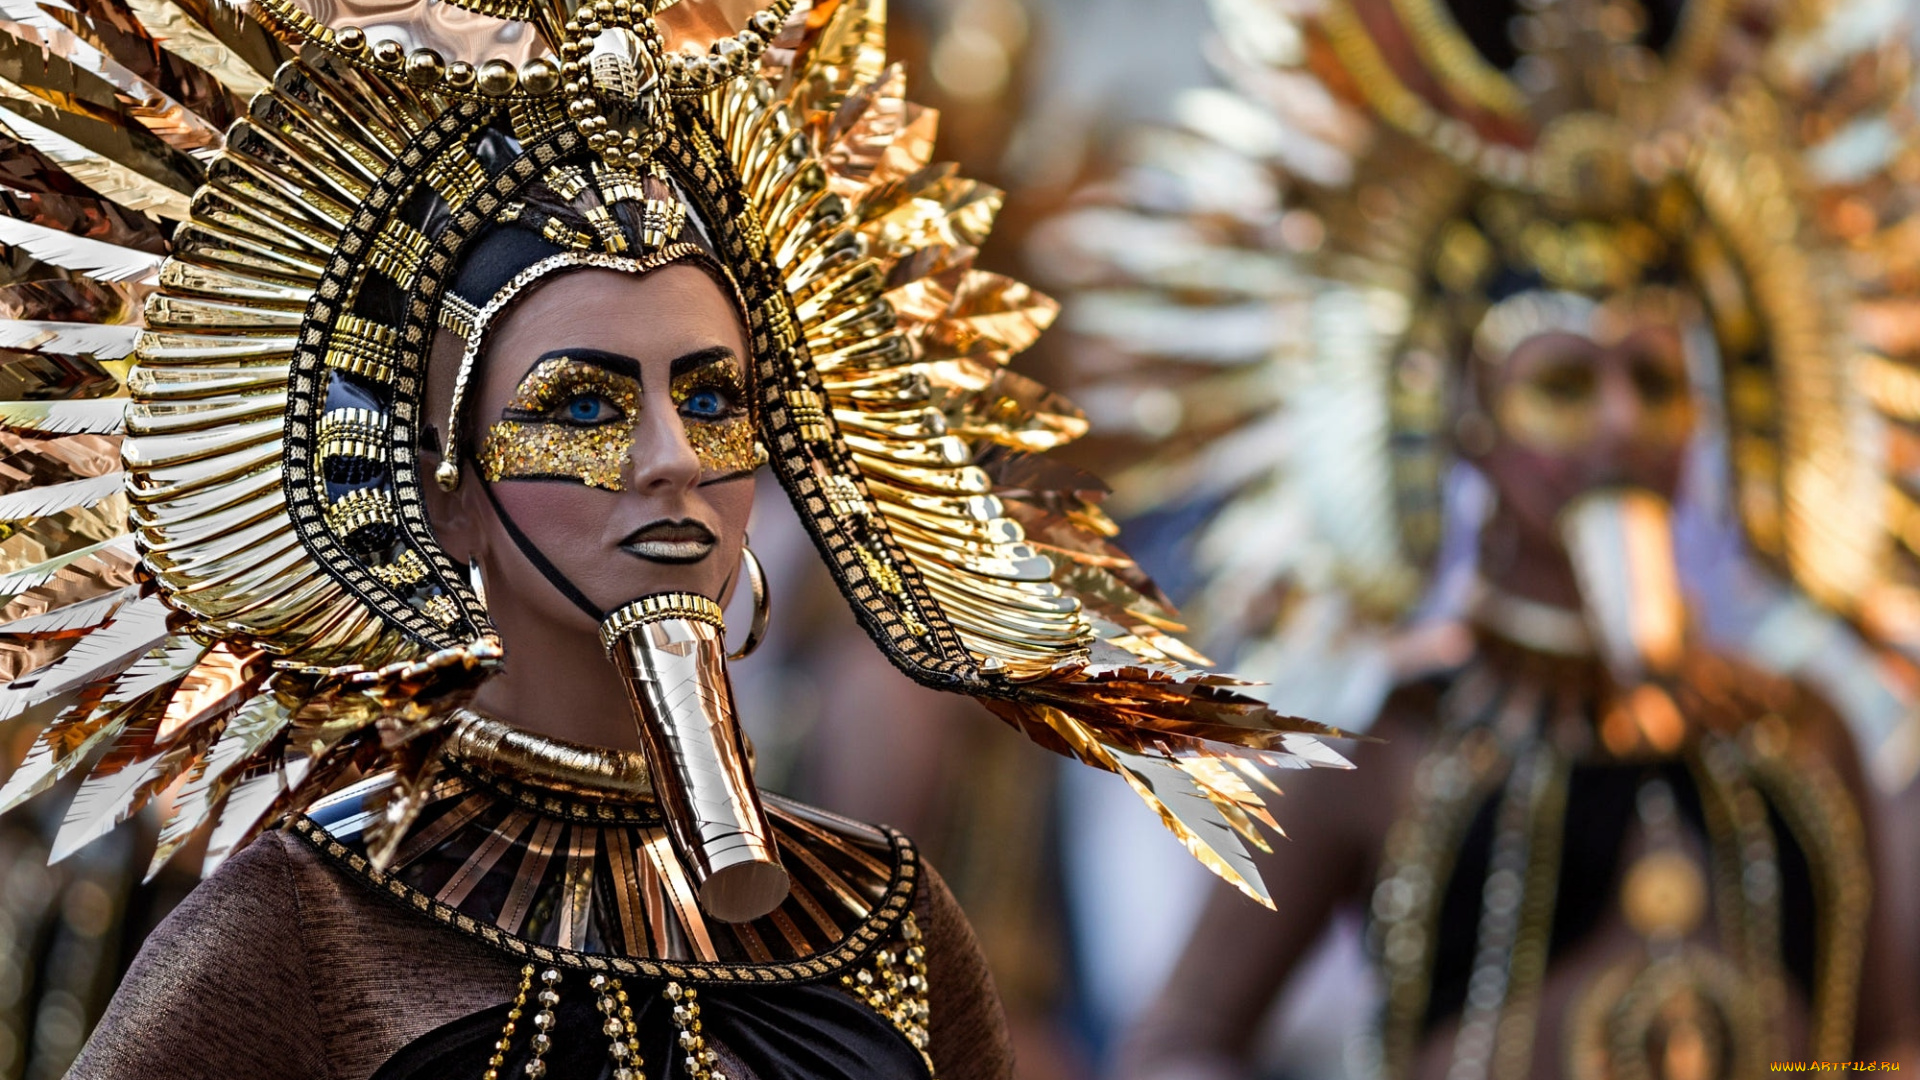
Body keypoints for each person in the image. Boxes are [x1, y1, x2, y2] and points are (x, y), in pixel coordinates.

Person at [0, 0, 1350, 1076]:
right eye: (581, 404)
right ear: (446, 489)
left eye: (712, 397)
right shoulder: (301, 933)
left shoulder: (889, 913)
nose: (670, 460)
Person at [1043, 0, 1920, 1074]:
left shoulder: (1804, 735)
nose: (1618, 426)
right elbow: (1179, 1042)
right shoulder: (1393, 754)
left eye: (1652, 379)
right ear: (1465, 419)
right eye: (1560, 383)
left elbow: (1888, 1040)